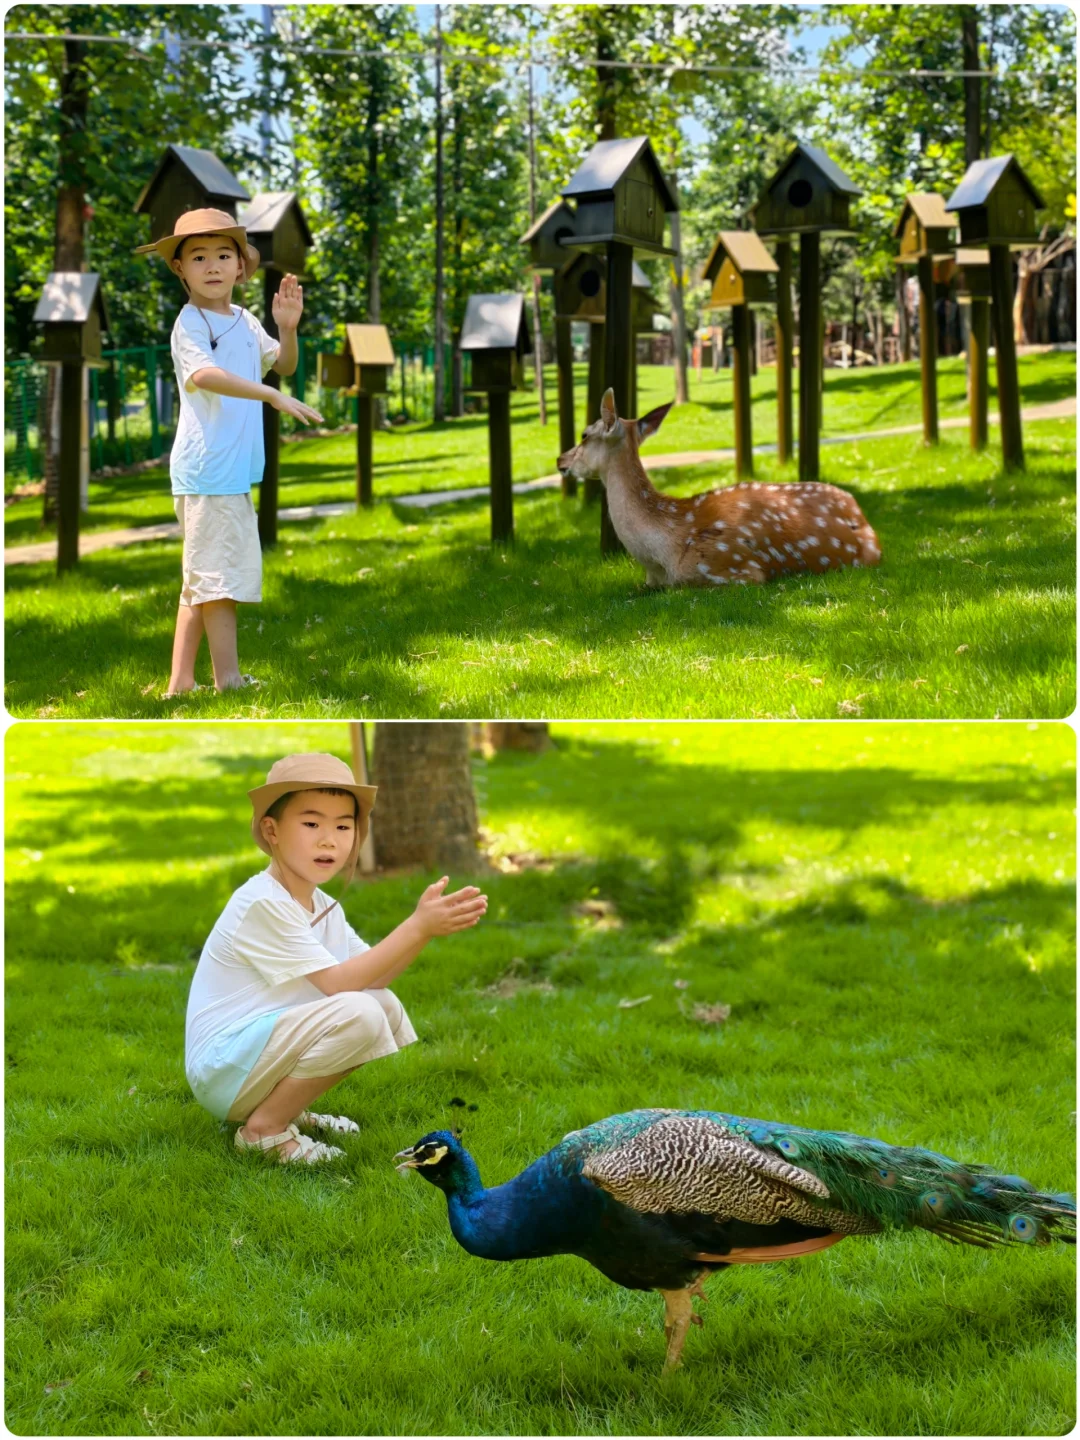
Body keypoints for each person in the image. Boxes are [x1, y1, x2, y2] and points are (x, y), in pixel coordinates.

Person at [184, 752, 488, 1164]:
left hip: (249, 1060)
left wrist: (425, 931)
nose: (329, 839)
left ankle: (287, 1109)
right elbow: (339, 985)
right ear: (271, 830)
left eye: (343, 826)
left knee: (380, 1005)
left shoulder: (324, 906)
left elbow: (374, 978)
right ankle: (263, 1130)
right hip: (223, 1069)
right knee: (359, 1012)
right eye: (311, 824)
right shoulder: (262, 902)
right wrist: (416, 926)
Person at [134, 208, 324, 696]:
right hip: (207, 469)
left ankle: (180, 683)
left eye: (224, 255)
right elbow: (204, 376)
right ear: (180, 268)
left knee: (200, 576)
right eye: (199, 257)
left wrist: (288, 328)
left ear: (241, 266)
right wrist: (269, 395)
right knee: (217, 581)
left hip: (230, 470)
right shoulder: (189, 324)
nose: (213, 265)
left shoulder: (243, 319)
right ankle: (229, 680)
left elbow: (281, 363)